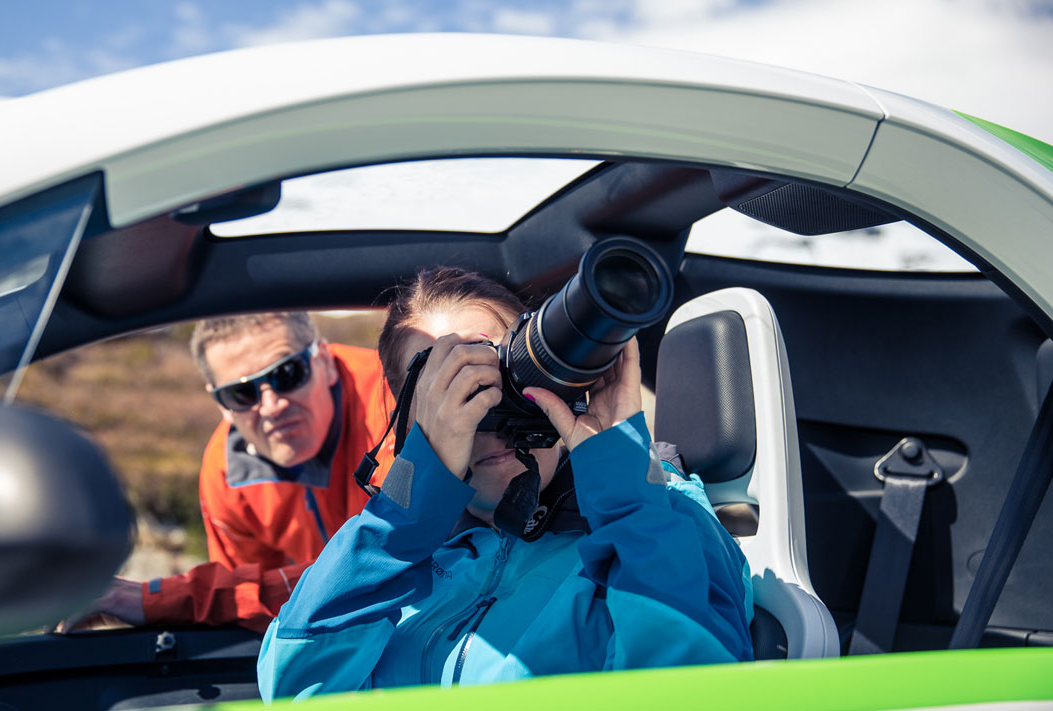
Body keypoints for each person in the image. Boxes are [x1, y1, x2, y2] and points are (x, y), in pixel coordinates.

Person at [256, 267, 754, 699]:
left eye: (499, 374)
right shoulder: (398, 562)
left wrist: (623, 484)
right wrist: (408, 511)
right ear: (409, 420)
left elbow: (684, 686)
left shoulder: (661, 522)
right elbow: (295, 685)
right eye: (445, 389)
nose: (483, 410)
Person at [58, 312, 393, 633]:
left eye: (288, 373)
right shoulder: (226, 471)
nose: (272, 406)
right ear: (221, 406)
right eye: (241, 393)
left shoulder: (391, 402)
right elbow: (246, 602)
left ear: (324, 362)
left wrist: (162, 601)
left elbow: (382, 566)